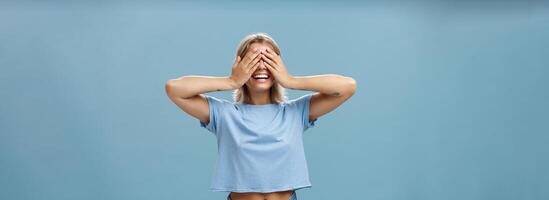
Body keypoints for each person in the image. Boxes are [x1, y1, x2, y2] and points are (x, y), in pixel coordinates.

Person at [165, 32, 356, 200]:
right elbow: (174, 89)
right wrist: (231, 81)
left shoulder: (295, 112)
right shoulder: (224, 114)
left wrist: (290, 80)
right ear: (241, 65)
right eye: (253, 60)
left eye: (268, 60)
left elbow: (347, 86)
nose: (261, 67)